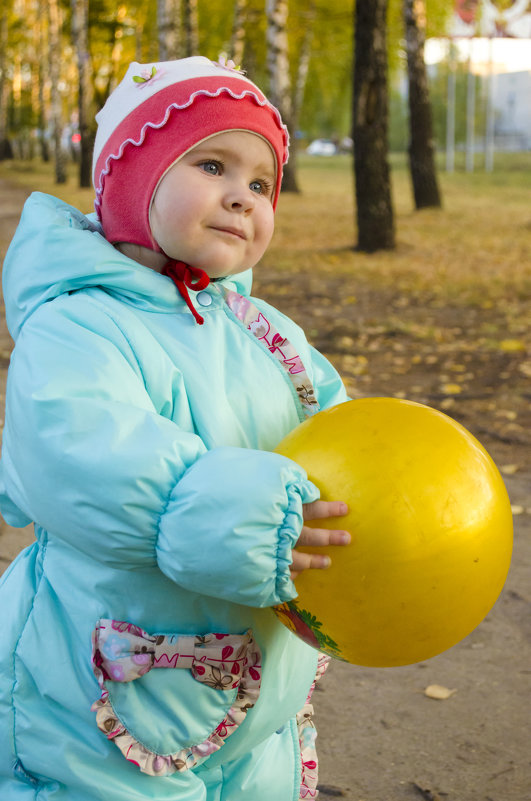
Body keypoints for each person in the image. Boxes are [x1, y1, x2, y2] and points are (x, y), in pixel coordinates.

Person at [0, 56, 350, 801]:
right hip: (110, 676)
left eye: (260, 184)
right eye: (213, 164)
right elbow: (83, 453)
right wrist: (249, 516)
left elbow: (336, 438)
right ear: (130, 181)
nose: (241, 197)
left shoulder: (265, 333)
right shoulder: (78, 322)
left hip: (251, 673)